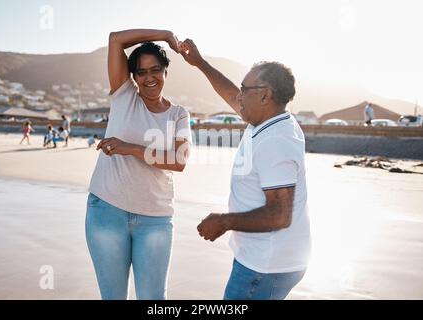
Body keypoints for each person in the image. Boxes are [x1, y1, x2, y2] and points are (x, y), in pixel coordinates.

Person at [180, 39, 311, 300]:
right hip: (269, 260)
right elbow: (230, 93)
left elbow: (279, 215)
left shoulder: (276, 141)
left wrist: (223, 221)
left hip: (265, 266)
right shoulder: (266, 120)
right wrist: (200, 64)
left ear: (265, 95)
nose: (238, 95)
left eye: (244, 89)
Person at [86, 29, 192, 300]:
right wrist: (165, 35)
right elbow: (114, 39)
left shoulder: (179, 115)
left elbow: (179, 161)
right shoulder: (124, 95)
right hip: (106, 212)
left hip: (154, 219)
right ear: (133, 77)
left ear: (166, 72)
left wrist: (129, 148)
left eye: (155, 70)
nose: (149, 78)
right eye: (141, 72)